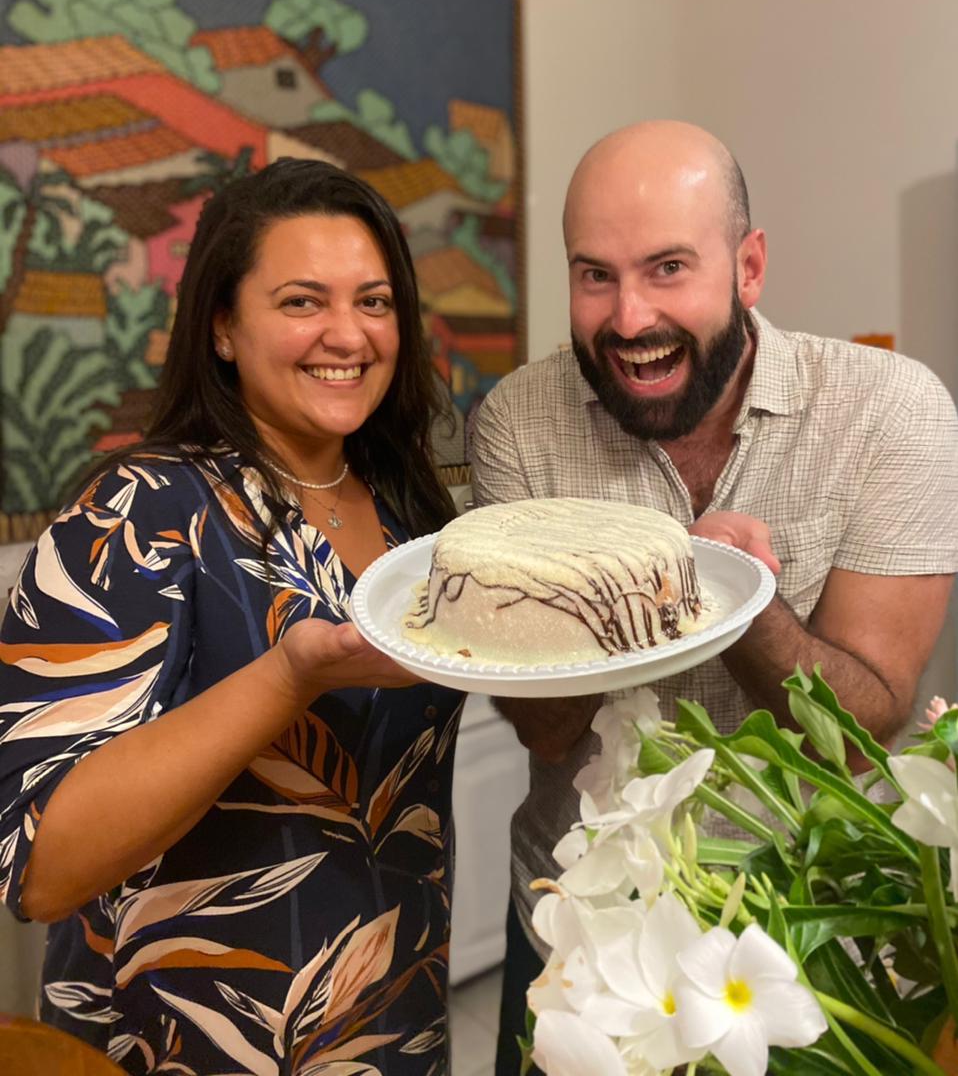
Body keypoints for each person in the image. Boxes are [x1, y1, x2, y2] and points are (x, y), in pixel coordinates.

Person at [470, 120, 958, 1076]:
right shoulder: (520, 423)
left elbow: (860, 732)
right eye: (595, 275)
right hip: (579, 941)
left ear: (749, 267)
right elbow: (543, 728)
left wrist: (742, 604)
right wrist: (637, 585)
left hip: (815, 949)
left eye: (667, 268)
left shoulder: (891, 410)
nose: (628, 317)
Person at [0, 158, 463, 1075]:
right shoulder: (137, 513)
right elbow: (42, 868)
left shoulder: (414, 516)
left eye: (374, 301)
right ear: (221, 327)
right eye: (301, 302)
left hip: (389, 1025)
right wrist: (290, 674)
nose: (348, 334)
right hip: (188, 1042)